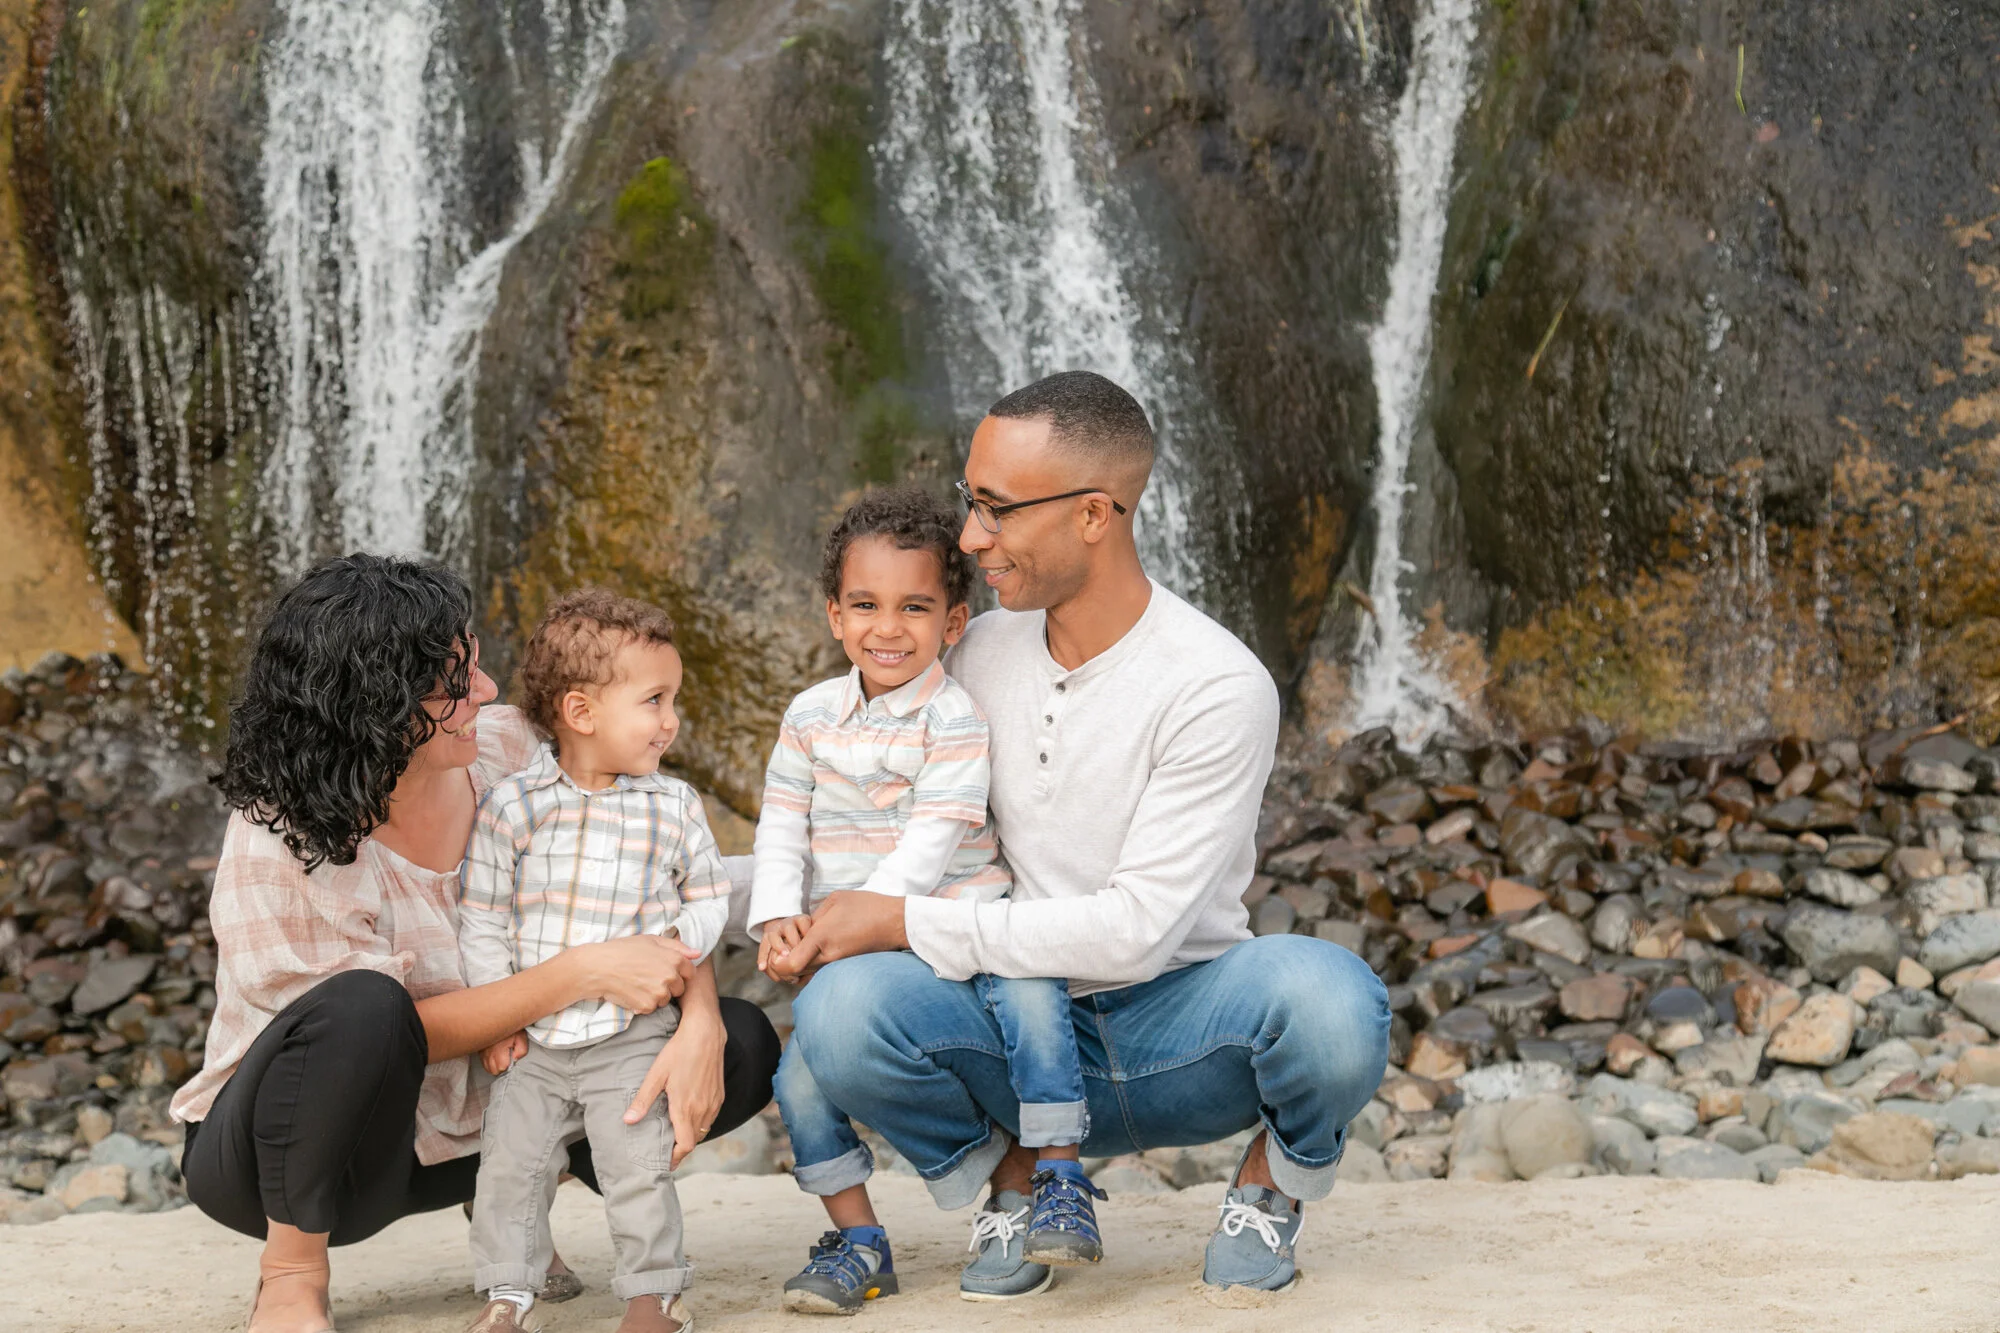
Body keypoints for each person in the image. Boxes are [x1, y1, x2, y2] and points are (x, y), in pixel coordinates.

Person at [778, 371, 1392, 1301]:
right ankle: (1019, 1180)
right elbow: (851, 819)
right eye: (970, 501)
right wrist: (689, 892)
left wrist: (902, 921)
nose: (970, 536)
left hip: (1185, 1031)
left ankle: (1268, 1189)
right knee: (837, 1011)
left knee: (1334, 1000)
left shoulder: (1218, 684)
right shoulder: (972, 652)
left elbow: (1135, 930)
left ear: (1095, 513)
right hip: (1011, 1027)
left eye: (995, 508)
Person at [172, 556, 779, 1333]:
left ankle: (511, 1205)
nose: (486, 692)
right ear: (375, 701)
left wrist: (701, 1017)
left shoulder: (510, 749)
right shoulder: (279, 835)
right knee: (364, 1006)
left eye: (476, 665)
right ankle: (292, 1272)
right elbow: (372, 1037)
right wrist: (578, 972)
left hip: (478, 1129)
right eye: (452, 685)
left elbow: (652, 875)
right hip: (302, 1159)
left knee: (744, 1044)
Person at [747, 489, 1101, 1313]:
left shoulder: (955, 719)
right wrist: (778, 916)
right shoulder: (809, 716)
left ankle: (1058, 1175)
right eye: (866, 605)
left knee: (1034, 994)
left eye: (914, 607)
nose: (888, 627)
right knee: (800, 1079)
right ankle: (859, 1241)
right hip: (861, 945)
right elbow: (782, 823)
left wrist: (847, 929)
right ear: (835, 616)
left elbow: (929, 847)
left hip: (963, 928)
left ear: (953, 622)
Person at [458, 591, 731, 1333]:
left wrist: (675, 944)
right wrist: (498, 1013)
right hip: (537, 1038)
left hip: (631, 1032)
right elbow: (483, 917)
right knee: (511, 1167)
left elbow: (709, 894)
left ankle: (654, 1294)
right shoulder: (514, 807)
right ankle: (508, 1294)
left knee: (636, 1163)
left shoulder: (673, 806)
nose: (671, 720)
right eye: (654, 700)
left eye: (673, 699)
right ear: (581, 712)